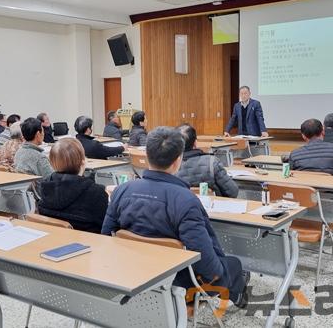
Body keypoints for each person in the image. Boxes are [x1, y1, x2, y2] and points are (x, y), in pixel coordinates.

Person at [102, 127, 249, 308]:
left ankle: (236, 291)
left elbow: (106, 238)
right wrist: (220, 277)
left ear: (147, 156)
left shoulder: (122, 191)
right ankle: (237, 292)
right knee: (233, 265)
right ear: (178, 160)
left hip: (133, 274)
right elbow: (206, 263)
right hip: (176, 282)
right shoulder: (185, 200)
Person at [37, 138, 108, 233]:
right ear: (82, 161)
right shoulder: (96, 192)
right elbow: (106, 225)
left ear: (52, 163)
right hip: (91, 243)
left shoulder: (46, 187)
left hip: (55, 240)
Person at [176, 124, 239, 198]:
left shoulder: (170, 167)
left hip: (182, 207)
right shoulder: (212, 162)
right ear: (195, 143)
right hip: (214, 207)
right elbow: (233, 191)